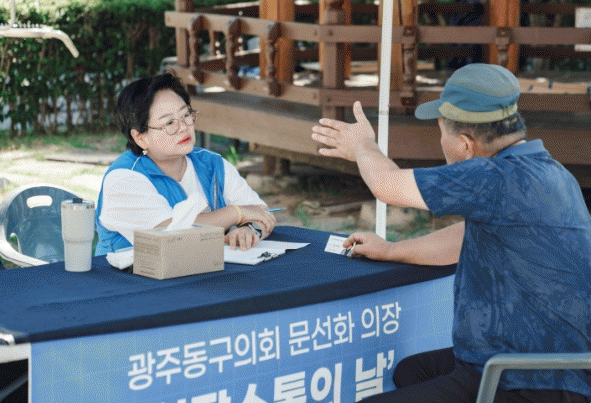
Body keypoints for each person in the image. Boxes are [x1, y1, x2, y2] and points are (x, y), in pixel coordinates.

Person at [311, 63, 591, 403]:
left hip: (526, 379)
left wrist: (363, 146)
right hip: (555, 365)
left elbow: (386, 185)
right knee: (411, 371)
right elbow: (465, 237)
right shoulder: (550, 172)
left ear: (465, 145)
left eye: (440, 132)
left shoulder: (493, 177)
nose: (440, 142)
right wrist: (391, 250)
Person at [95, 72, 276, 255]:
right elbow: (170, 236)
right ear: (140, 137)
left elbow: (262, 212)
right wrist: (235, 213)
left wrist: (249, 229)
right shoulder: (123, 179)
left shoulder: (212, 164)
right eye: (169, 123)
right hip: (133, 273)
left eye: (186, 115)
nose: (183, 127)